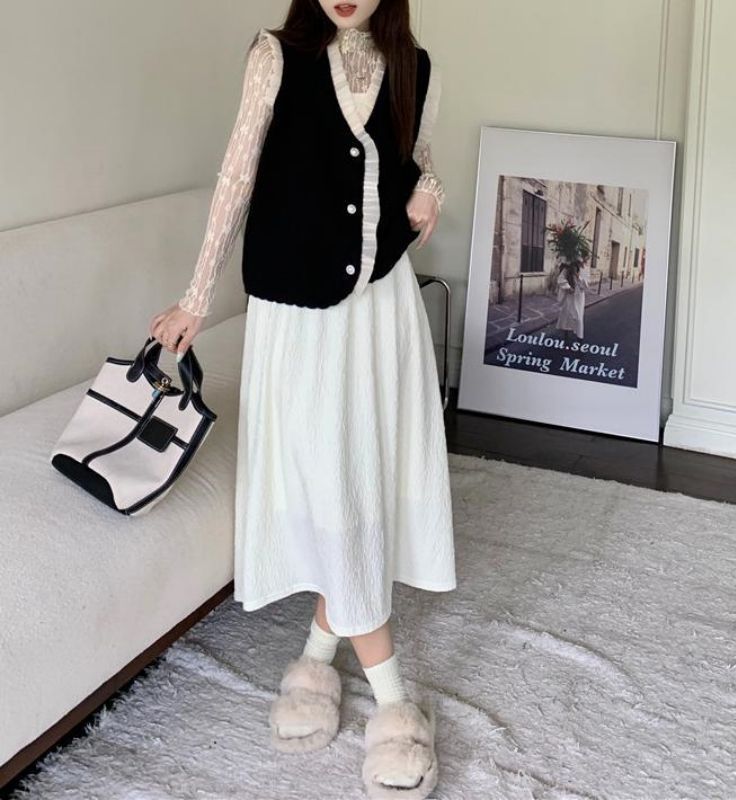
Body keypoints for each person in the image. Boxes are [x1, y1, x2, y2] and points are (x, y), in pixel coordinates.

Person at [148, 1, 456, 797]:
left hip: (380, 307)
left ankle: (318, 661)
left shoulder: (414, 66)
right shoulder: (274, 56)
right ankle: (393, 704)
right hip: (297, 314)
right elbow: (237, 176)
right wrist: (195, 299)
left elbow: (412, 158)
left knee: (363, 479)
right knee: (327, 478)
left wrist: (430, 189)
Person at [555, 261, 590, 342]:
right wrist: (568, 287)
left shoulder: (584, 269)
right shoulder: (567, 269)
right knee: (566, 316)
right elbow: (560, 279)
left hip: (579, 297)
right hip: (569, 296)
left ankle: (579, 338)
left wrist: (577, 275)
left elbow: (586, 285)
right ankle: (566, 337)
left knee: (578, 318)